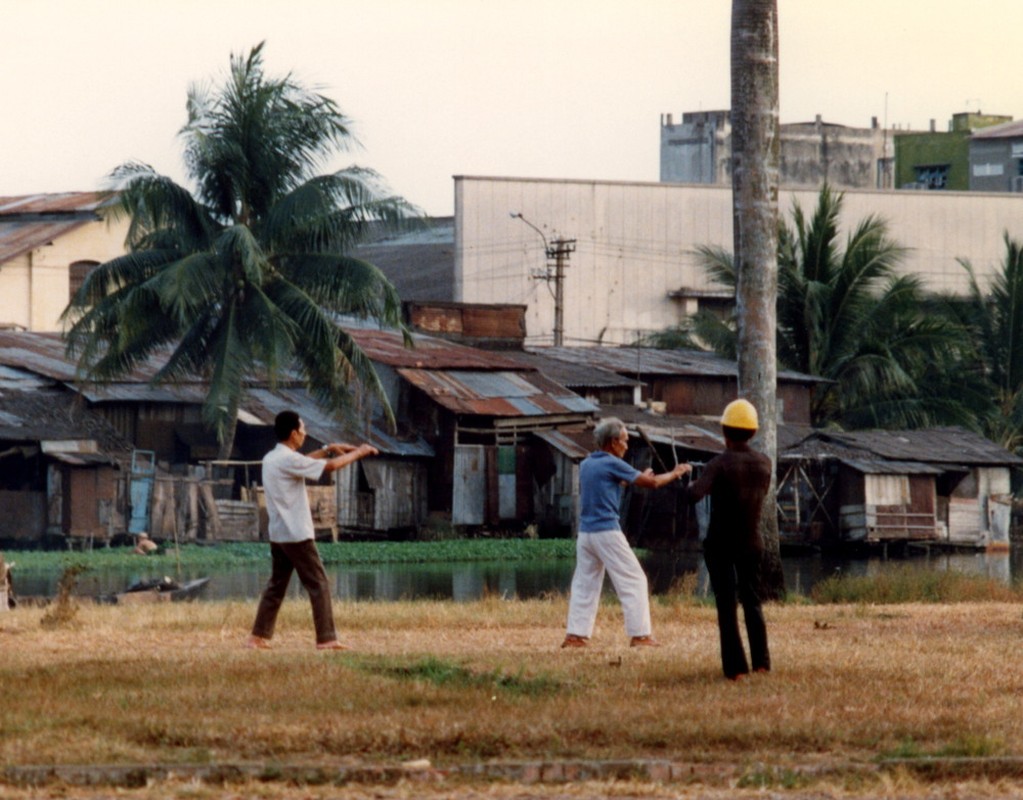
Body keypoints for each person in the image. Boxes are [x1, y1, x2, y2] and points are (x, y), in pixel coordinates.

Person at [246, 410, 378, 651]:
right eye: (303, 430)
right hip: (297, 534)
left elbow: (306, 461)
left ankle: (257, 637)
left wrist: (328, 447)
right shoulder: (288, 460)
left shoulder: (273, 458)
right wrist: (360, 452)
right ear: (294, 433)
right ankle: (327, 639)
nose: (305, 434)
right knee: (319, 584)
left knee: (276, 586)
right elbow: (329, 467)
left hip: (279, 535)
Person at [562, 417, 691, 649]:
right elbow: (651, 484)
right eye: (624, 441)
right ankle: (640, 636)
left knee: (585, 584)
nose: (627, 445)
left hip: (586, 535)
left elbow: (607, 484)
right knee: (634, 580)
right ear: (612, 442)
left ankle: (575, 636)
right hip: (607, 532)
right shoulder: (613, 463)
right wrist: (675, 473)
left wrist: (632, 478)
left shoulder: (588, 464)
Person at [683, 398, 772, 680]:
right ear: (753, 432)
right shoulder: (765, 464)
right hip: (752, 543)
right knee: (753, 601)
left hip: (721, 544)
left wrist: (685, 485)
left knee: (726, 605)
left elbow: (695, 495)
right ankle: (761, 663)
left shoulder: (718, 464)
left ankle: (735, 670)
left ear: (724, 431)